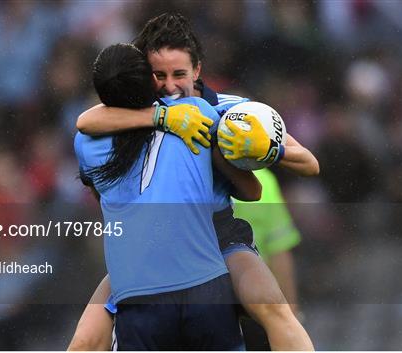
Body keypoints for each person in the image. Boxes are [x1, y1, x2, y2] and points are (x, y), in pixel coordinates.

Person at [70, 13, 316, 351]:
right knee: (84, 340)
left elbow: (309, 163)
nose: (170, 85)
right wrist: (162, 116)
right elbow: (85, 120)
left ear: (197, 70)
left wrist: (262, 146)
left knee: (274, 308)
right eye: (159, 75)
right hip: (153, 242)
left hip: (219, 235)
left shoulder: (231, 112)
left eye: (179, 74)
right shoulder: (126, 116)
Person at [74, 43, 260, 350]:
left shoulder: (86, 142)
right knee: (277, 318)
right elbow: (252, 191)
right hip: (204, 284)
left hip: (139, 292)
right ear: (149, 80)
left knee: (84, 341)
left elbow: (87, 124)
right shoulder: (198, 114)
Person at [233, 168, 306, 350]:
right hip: (257, 307)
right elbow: (280, 254)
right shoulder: (262, 179)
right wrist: (291, 314)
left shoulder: (191, 176)